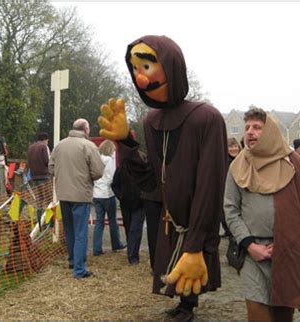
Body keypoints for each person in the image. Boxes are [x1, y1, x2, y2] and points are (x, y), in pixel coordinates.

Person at [98, 35, 228, 321]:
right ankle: (183, 304)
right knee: (169, 268)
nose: (140, 78)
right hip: (166, 215)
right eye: (135, 69)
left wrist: (197, 243)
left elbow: (210, 185)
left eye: (146, 66)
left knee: (190, 265)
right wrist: (126, 143)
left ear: (172, 67)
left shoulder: (207, 118)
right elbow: (151, 181)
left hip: (194, 217)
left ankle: (188, 305)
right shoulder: (151, 121)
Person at [224, 108, 300, 322]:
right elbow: (230, 209)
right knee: (257, 310)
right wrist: (250, 245)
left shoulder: (294, 162)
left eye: (257, 127)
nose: (250, 132)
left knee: (282, 313)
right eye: (247, 128)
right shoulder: (237, 166)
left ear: (269, 131)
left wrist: (288, 242)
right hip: (252, 252)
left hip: (288, 249)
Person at [49, 118, 104, 279]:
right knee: (81, 232)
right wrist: (87, 178)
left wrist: (63, 175)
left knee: (69, 230)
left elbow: (51, 167)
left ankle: (73, 260)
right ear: (86, 130)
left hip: (63, 194)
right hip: (81, 194)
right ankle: (79, 270)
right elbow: (98, 171)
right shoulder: (88, 146)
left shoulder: (59, 145)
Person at [92, 139, 125, 256]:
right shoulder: (110, 160)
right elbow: (112, 177)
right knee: (112, 220)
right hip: (107, 194)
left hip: (96, 194)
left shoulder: (97, 158)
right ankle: (116, 244)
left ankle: (96, 248)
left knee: (99, 222)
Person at [111, 156, 145, 265]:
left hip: (139, 204)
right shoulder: (121, 169)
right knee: (130, 228)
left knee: (135, 229)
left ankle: (133, 256)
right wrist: (121, 196)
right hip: (126, 203)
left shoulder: (142, 170)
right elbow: (114, 185)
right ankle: (132, 252)